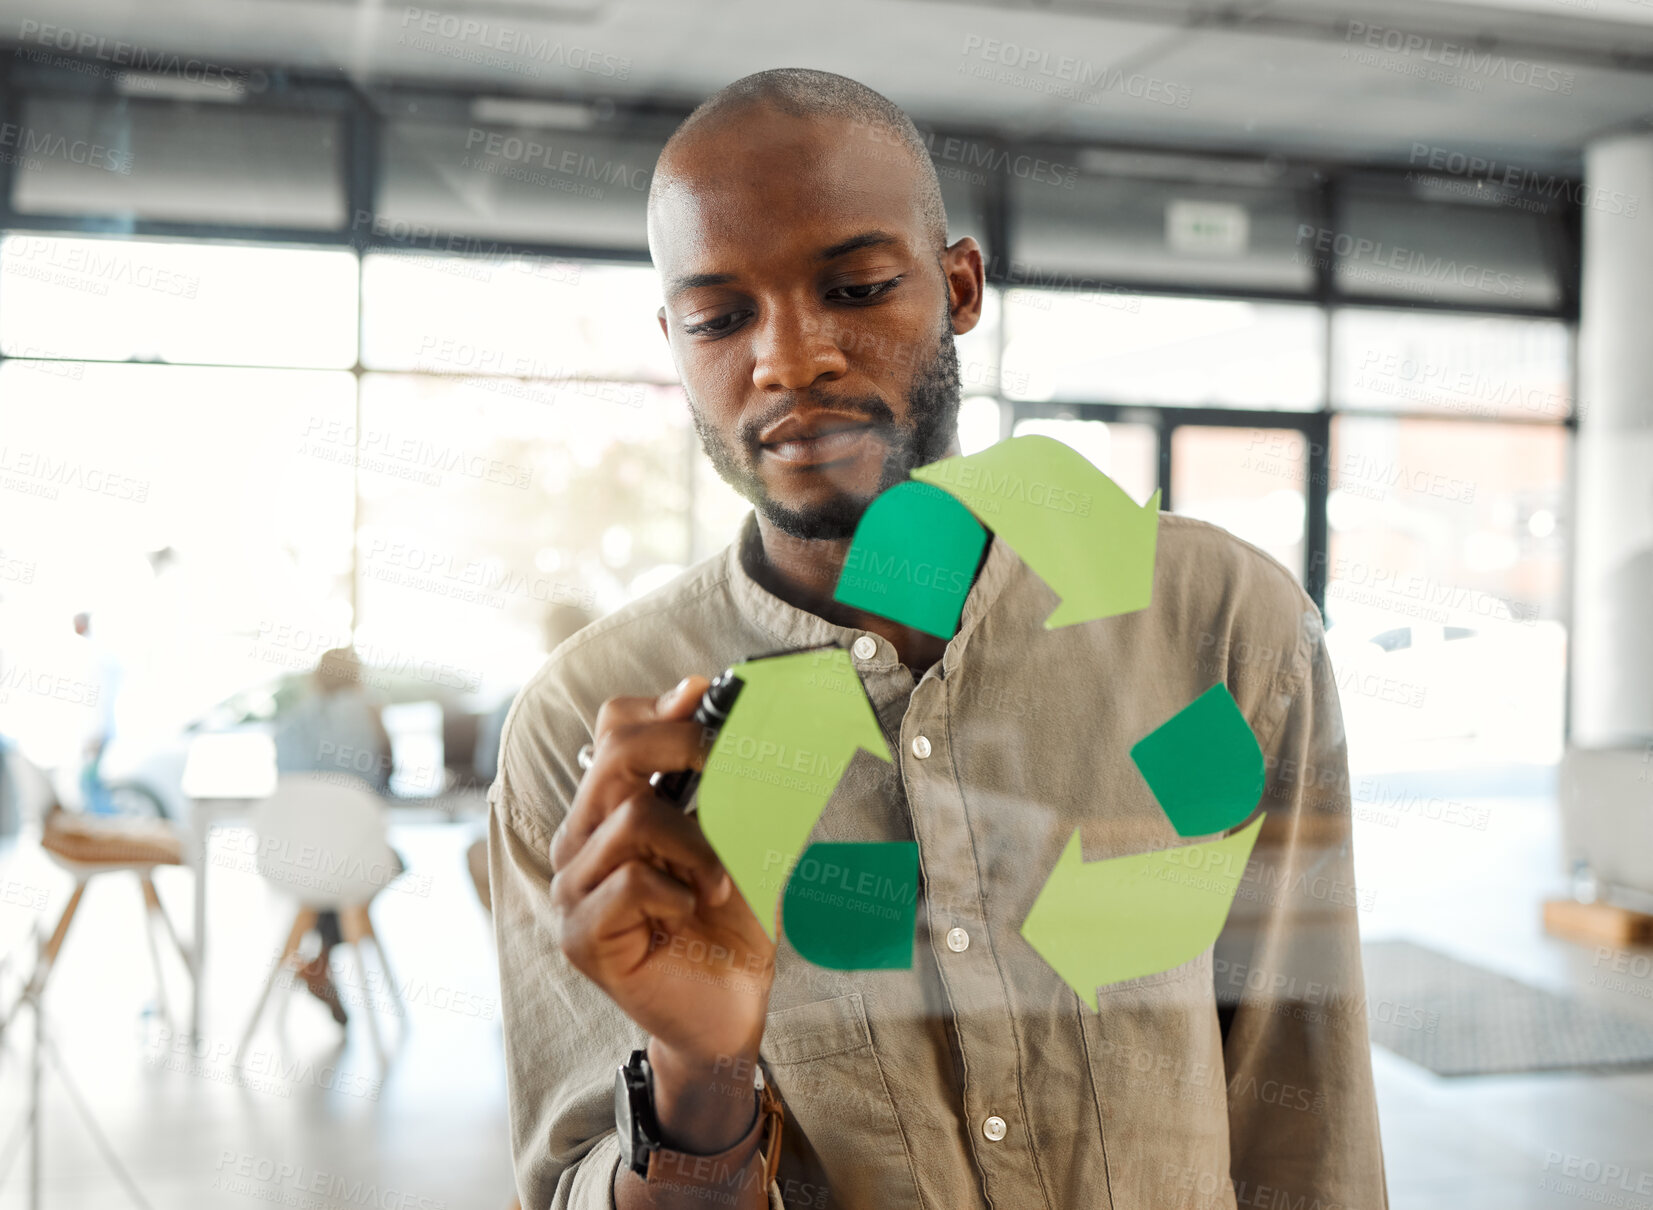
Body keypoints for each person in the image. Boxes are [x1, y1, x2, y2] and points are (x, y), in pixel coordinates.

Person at [489, 69, 1387, 1210]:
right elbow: (566, 1184)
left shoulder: (1218, 632)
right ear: (674, 341)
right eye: (721, 318)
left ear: (959, 286)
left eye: (857, 288)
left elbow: (1305, 1118)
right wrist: (700, 1074)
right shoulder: (592, 727)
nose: (790, 357)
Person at [273, 645, 395, 1024]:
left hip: (289, 859)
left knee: (328, 872)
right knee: (360, 867)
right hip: (353, 858)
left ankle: (319, 960)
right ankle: (322, 958)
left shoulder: (290, 721)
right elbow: (388, 777)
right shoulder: (368, 712)